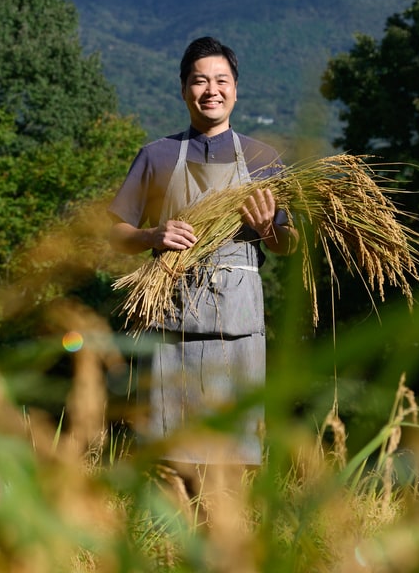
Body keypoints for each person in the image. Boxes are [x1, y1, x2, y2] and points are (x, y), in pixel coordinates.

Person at [107, 35, 292, 517]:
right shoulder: (156, 155)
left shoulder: (264, 158)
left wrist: (267, 226)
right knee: (170, 456)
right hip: (172, 326)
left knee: (232, 460)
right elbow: (114, 234)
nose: (211, 90)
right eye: (200, 81)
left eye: (221, 81)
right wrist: (152, 236)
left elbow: (287, 244)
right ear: (184, 89)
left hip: (240, 327)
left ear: (236, 90)